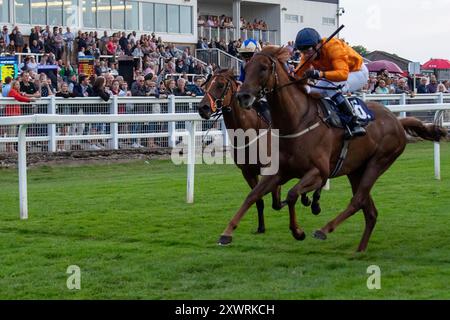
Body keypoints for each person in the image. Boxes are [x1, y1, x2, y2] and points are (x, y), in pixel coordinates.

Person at [294, 28, 368, 137]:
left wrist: (320, 74)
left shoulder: (334, 47)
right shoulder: (307, 55)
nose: (306, 54)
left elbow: (343, 74)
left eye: (308, 50)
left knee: (332, 90)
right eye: (302, 51)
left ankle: (354, 123)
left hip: (356, 72)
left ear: (318, 45)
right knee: (313, 92)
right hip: (334, 74)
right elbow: (297, 74)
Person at [237, 38, 271, 124]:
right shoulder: (243, 64)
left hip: (266, 96)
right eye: (244, 54)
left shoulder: (264, 65)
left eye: (249, 54)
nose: (247, 58)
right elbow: (241, 79)